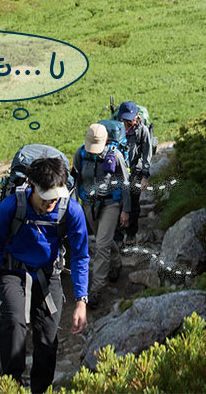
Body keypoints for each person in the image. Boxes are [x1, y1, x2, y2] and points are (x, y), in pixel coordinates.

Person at [0, 157, 89, 393]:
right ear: (31, 186)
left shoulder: (71, 210)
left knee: (48, 336)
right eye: (47, 197)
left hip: (48, 274)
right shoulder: (11, 206)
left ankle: (41, 389)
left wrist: (81, 300)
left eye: (56, 196)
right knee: (14, 323)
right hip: (11, 271)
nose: (52, 202)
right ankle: (12, 385)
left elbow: (80, 256)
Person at [72, 123, 130, 308]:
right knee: (102, 239)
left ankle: (96, 290)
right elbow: (76, 180)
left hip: (111, 204)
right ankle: (116, 262)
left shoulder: (116, 155)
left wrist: (125, 210)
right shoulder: (80, 154)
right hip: (89, 205)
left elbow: (125, 183)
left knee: (101, 245)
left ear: (106, 140)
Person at [115, 100, 153, 246]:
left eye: (130, 118)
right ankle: (118, 237)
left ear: (137, 115)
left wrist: (145, 176)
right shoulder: (116, 130)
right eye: (125, 119)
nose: (127, 122)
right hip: (118, 172)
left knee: (134, 205)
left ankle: (131, 234)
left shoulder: (142, 130)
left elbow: (146, 154)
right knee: (118, 204)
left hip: (135, 173)